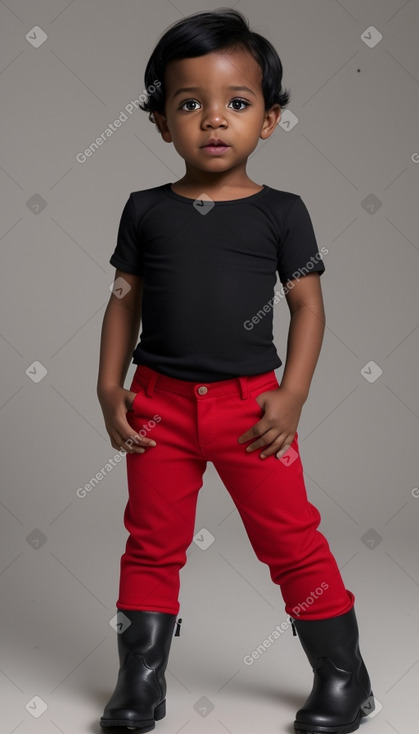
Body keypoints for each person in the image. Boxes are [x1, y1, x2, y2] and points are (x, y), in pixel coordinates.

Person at [96, 8, 375, 733]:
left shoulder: (283, 213)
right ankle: (141, 679)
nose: (213, 120)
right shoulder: (145, 210)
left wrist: (292, 396)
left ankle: (343, 674)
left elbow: (308, 307)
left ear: (270, 119)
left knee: (289, 539)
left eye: (237, 104)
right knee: (151, 543)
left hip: (253, 412)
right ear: (162, 122)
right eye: (190, 104)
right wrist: (107, 384)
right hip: (157, 405)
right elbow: (124, 301)